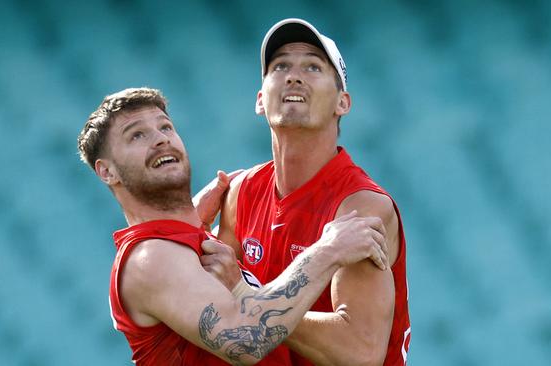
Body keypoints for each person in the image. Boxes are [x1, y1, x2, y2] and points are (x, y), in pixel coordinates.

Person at [76, 87, 390, 365]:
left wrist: (194, 224)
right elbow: (246, 342)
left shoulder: (189, 243)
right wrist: (328, 250)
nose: (160, 139)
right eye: (137, 135)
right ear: (107, 172)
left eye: (165, 127)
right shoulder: (150, 258)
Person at [201, 18, 411, 365]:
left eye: (313, 66)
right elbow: (203, 306)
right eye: (280, 65)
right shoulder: (241, 192)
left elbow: (359, 353)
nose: (293, 75)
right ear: (259, 100)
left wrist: (248, 297)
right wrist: (191, 221)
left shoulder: (360, 208)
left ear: (342, 103)